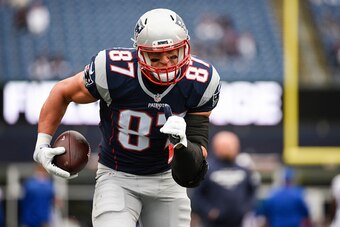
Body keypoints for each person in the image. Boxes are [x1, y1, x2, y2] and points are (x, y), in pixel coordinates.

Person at [33, 8, 221, 227]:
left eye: (173, 54)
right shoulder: (113, 69)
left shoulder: (202, 80)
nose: (166, 64)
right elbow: (62, 91)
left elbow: (193, 171)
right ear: (139, 53)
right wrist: (41, 144)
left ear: (186, 48)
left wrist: (183, 145)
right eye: (156, 56)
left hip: (166, 178)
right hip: (117, 176)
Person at [191, 131, 258, 227]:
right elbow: (197, 196)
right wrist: (209, 211)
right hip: (213, 224)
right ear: (216, 147)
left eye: (231, 145)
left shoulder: (244, 170)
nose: (228, 148)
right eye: (225, 145)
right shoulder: (207, 169)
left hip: (238, 222)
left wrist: (245, 209)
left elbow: (252, 192)